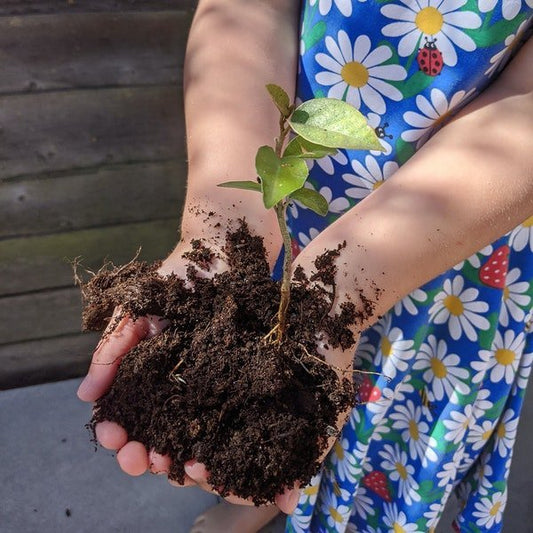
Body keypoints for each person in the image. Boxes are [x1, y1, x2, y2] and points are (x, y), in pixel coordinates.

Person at [77, 1, 533, 531]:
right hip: (296, 199)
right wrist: (220, 231)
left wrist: (340, 288)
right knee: (277, 349)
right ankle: (262, 494)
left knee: (378, 418)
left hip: (460, 229)